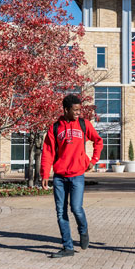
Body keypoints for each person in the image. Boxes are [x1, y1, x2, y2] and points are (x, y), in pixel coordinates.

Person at [41, 94, 103, 258]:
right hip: (59, 177)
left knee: (76, 208)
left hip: (77, 175)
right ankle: (67, 247)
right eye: (75, 110)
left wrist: (93, 160)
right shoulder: (55, 128)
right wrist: (45, 173)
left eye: (79, 110)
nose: (78, 113)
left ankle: (83, 230)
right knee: (60, 212)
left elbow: (98, 141)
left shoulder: (84, 124)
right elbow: (47, 152)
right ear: (66, 110)